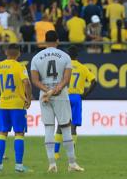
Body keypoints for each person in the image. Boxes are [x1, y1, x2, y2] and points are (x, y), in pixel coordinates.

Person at [30, 30, 84, 172]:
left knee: (48, 128)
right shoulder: (65, 56)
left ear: (45, 40)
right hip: (60, 94)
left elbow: (34, 80)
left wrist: (47, 90)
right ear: (58, 40)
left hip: (45, 95)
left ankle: (52, 163)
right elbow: (66, 79)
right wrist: (57, 88)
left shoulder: (36, 58)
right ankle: (72, 163)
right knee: (66, 127)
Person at [0, 44, 32, 173]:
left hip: (3, 104)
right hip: (17, 105)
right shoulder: (20, 66)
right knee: (19, 134)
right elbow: (26, 82)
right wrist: (29, 98)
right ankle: (19, 166)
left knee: (2, 134)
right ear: (19, 54)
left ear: (6, 52)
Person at [54, 45, 96, 160]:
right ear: (77, 55)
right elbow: (94, 81)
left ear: (67, 55)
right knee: (73, 127)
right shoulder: (83, 68)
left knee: (61, 125)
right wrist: (85, 95)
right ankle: (71, 154)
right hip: (76, 98)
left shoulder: (63, 67)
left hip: (64, 96)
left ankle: (56, 153)